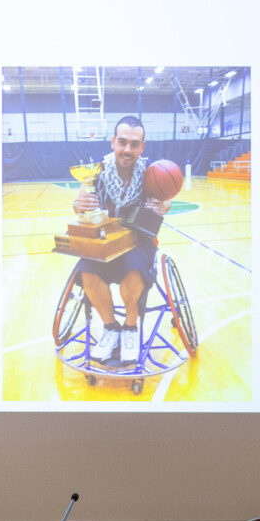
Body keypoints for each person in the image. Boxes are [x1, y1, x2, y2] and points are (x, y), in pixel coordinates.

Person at [72, 116, 170, 365]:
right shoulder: (96, 172)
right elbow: (79, 206)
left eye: (134, 144)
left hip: (137, 241)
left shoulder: (152, 173)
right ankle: (110, 327)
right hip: (105, 239)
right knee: (87, 270)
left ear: (142, 147)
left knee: (134, 269)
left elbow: (166, 198)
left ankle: (130, 328)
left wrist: (164, 204)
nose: (128, 149)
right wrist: (78, 204)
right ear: (113, 142)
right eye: (123, 142)